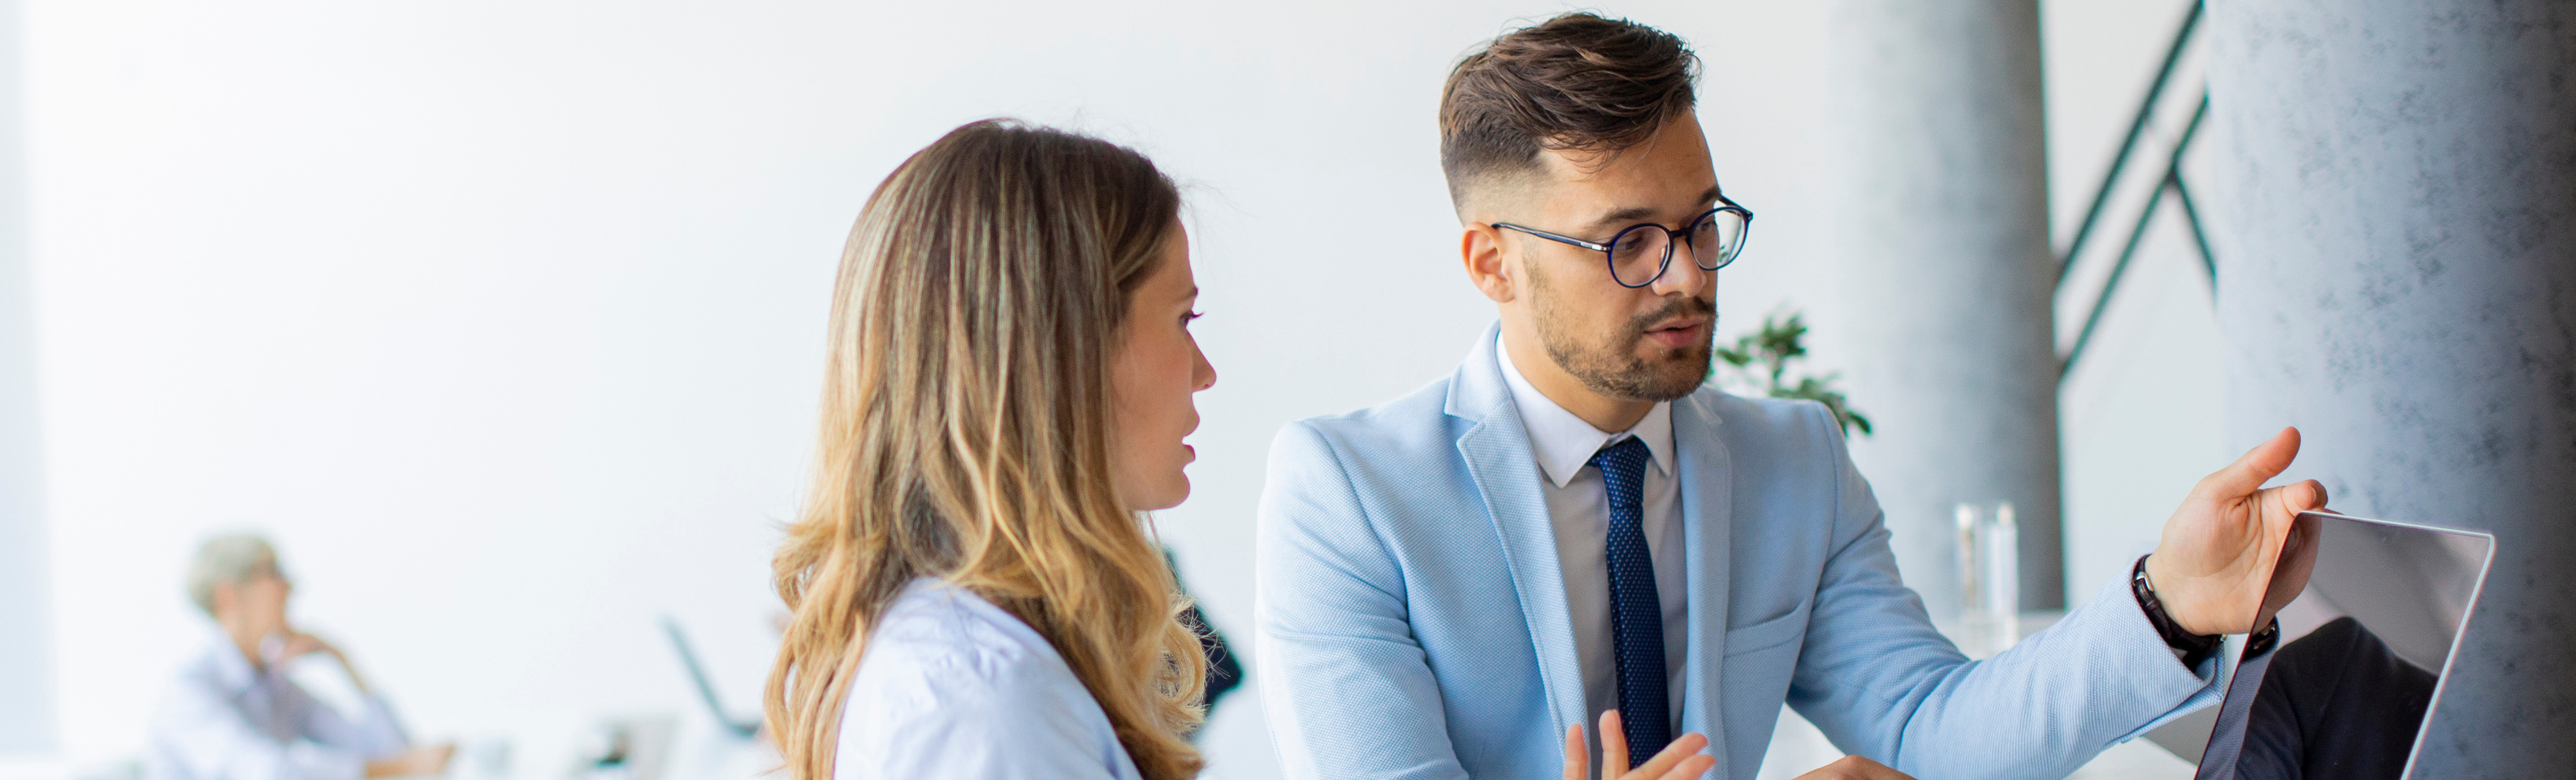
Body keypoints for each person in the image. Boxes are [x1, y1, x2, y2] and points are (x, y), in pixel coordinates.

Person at [1253, 13, 2332, 780]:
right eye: (1627, 241)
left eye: (1700, 224)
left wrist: (2170, 602)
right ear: (1491, 263)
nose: (1686, 275)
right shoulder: (1347, 494)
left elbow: (1933, 726)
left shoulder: (1793, 462)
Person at [760, 119, 1219, 780]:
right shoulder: (985, 701)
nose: (1203, 371)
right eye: (1184, 319)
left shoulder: (979, 670)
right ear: (1067, 351)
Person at [147, 533, 457, 780]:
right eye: (273, 573)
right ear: (229, 595)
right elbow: (268, 773)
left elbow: (392, 751)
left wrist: (343, 659)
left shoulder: (277, 688)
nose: (291, 587)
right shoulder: (188, 692)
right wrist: (400, 769)